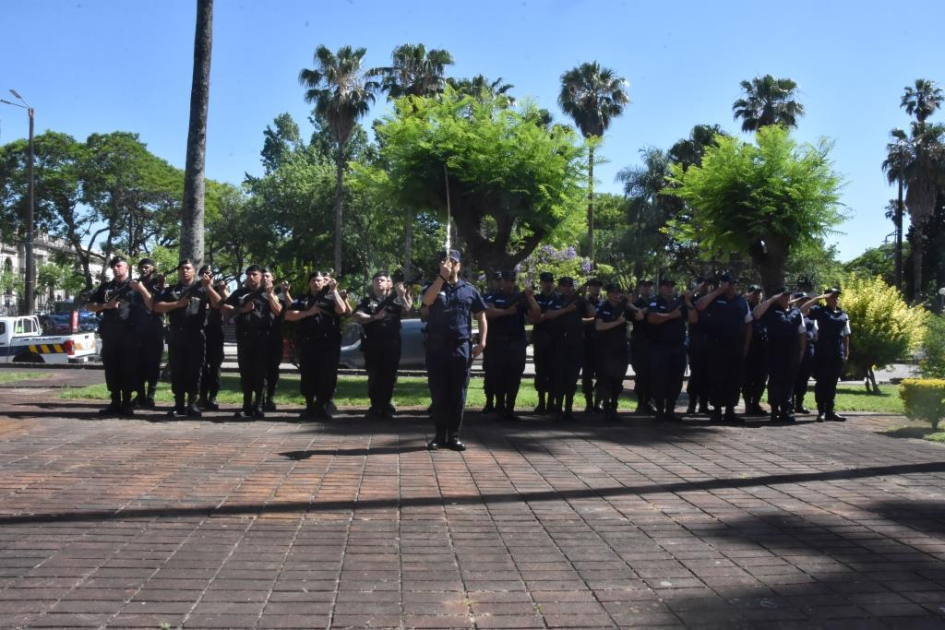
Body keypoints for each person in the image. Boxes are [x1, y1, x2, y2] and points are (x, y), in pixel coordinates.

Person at [420, 250, 487, 451]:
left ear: (459, 265)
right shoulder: (431, 287)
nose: (449, 266)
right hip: (437, 347)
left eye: (452, 262)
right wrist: (441, 277)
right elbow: (426, 303)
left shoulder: (469, 290)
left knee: (458, 393)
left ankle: (454, 436)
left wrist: (482, 342)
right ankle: (439, 436)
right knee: (439, 393)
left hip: (460, 347)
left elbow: (481, 316)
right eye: (444, 262)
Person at [152, 260, 222, 418]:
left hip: (196, 334)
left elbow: (218, 304)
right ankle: (178, 404)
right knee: (177, 370)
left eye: (188, 268)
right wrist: (177, 304)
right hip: (176, 333)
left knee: (195, 370)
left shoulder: (202, 288)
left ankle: (192, 403)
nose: (185, 271)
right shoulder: (173, 290)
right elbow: (157, 306)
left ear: (194, 271)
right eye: (182, 268)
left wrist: (209, 286)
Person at [85, 256, 154, 416]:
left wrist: (142, 289)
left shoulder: (135, 286)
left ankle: (127, 402)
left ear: (126, 267)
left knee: (129, 369)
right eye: (113, 266)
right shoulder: (106, 287)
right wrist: (105, 306)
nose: (116, 269)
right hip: (110, 334)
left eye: (119, 266)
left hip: (130, 335)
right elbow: (89, 305)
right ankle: (115, 401)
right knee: (112, 368)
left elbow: (151, 304)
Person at [221, 265, 283, 419]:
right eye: (248, 274)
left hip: (263, 338)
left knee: (261, 373)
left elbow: (278, 311)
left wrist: (270, 295)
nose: (250, 277)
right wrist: (242, 309)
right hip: (244, 337)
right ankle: (246, 405)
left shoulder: (268, 293)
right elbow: (224, 308)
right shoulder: (240, 293)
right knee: (246, 372)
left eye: (254, 274)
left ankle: (259, 405)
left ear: (262, 276)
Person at [285, 271, 347, 420]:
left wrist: (335, 291)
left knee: (327, 375)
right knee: (308, 375)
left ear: (324, 282)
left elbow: (342, 310)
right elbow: (288, 315)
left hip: (327, 343)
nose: (316, 283)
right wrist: (307, 313)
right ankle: (309, 406)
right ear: (309, 283)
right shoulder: (302, 298)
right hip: (308, 342)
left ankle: (321, 406)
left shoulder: (331, 296)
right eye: (313, 280)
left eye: (319, 280)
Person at [352, 271, 413, 419]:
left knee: (389, 376)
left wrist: (402, 295)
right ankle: (375, 405)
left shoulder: (396, 299)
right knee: (374, 375)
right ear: (372, 283)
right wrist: (374, 317)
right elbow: (356, 316)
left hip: (392, 343)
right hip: (372, 344)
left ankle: (386, 404)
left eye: (383, 280)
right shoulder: (366, 300)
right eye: (377, 280)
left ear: (389, 284)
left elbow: (408, 312)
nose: (379, 282)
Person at [483, 271, 540, 422]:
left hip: (516, 342)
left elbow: (536, 316)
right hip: (497, 342)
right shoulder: (492, 296)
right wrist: (506, 312)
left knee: (515, 376)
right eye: (507, 280)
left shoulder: (520, 298)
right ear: (501, 281)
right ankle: (500, 407)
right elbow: (487, 312)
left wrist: (530, 298)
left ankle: (510, 409)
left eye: (512, 281)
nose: (510, 283)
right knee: (498, 375)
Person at [697, 273, 752, 423]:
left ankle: (730, 411)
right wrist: (717, 291)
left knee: (734, 379)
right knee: (717, 378)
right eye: (727, 283)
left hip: (736, 346)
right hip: (717, 346)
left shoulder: (741, 302)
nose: (731, 286)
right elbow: (700, 306)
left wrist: (746, 344)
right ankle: (716, 411)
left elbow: (748, 324)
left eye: (733, 283)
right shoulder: (714, 299)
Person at [751, 287, 807, 422]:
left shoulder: (795, 312)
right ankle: (774, 410)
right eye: (783, 295)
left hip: (792, 351)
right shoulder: (771, 311)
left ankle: (786, 410)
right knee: (775, 380)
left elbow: (802, 332)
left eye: (788, 295)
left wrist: (801, 351)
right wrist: (773, 299)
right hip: (775, 350)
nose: (786, 298)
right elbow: (756, 314)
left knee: (789, 381)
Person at [547, 277, 597, 421]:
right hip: (560, 341)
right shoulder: (556, 300)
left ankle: (568, 409)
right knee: (559, 376)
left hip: (575, 342)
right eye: (564, 285)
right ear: (560, 287)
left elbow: (593, 313)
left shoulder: (580, 301)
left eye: (570, 285)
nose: (567, 288)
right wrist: (566, 309)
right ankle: (558, 409)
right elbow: (549, 314)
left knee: (572, 377)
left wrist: (584, 299)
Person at [647, 279, 697, 422]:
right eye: (667, 286)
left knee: (676, 380)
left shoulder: (679, 303)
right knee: (659, 380)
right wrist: (670, 316)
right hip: (660, 347)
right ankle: (660, 411)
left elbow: (693, 319)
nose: (670, 288)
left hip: (677, 348)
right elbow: (652, 318)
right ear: (661, 287)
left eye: (671, 286)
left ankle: (670, 410)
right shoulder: (655, 301)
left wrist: (688, 302)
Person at [595, 284, 643, 421]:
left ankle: (614, 407)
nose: (616, 295)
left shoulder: (624, 307)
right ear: (608, 294)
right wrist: (618, 322)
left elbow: (639, 316)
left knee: (618, 380)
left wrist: (629, 304)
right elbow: (599, 326)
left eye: (618, 293)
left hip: (620, 348)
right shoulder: (604, 307)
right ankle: (606, 407)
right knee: (605, 380)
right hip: (606, 348)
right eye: (614, 293)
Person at [802, 288, 851, 422]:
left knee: (832, 383)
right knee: (822, 382)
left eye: (836, 296)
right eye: (832, 296)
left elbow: (846, 334)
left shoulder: (843, 313)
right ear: (826, 298)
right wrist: (818, 298)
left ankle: (830, 411)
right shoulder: (820, 310)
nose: (835, 299)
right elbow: (803, 309)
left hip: (837, 351)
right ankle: (821, 411)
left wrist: (846, 352)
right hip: (823, 350)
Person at [135, 258, 165, 408]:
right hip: (137, 329)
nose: (144, 270)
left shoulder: (158, 284)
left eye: (147, 267)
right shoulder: (134, 284)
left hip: (154, 328)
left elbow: (154, 304)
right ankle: (140, 395)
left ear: (153, 268)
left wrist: (143, 288)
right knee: (138, 365)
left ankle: (150, 395)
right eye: (141, 267)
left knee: (154, 364)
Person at [262, 270, 290, 412]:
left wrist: (270, 294)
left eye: (268, 276)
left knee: (272, 370)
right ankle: (258, 399)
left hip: (274, 337)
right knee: (258, 370)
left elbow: (280, 311)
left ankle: (270, 397)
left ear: (273, 278)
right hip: (258, 339)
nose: (265, 278)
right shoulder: (255, 295)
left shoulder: (280, 296)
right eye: (263, 276)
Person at [199, 273, 228, 411]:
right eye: (204, 274)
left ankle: (213, 396)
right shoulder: (196, 289)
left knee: (215, 366)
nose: (207, 277)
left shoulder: (217, 288)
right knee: (201, 366)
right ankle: (202, 395)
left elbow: (222, 304)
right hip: (199, 331)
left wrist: (211, 287)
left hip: (215, 332)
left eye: (210, 274)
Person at [531, 272, 557, 414]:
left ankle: (551, 402)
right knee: (540, 372)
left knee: (554, 371)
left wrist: (545, 316)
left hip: (555, 340)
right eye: (545, 281)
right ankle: (541, 402)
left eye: (550, 281)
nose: (548, 284)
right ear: (541, 283)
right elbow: (533, 318)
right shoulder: (536, 298)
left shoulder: (558, 298)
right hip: (541, 339)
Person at [686, 278, 712, 414]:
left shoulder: (712, 301)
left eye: (707, 285)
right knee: (696, 375)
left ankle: (703, 404)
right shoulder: (693, 300)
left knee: (707, 376)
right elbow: (687, 298)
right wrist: (697, 287)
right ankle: (691, 404)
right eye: (703, 285)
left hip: (710, 344)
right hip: (697, 343)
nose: (705, 287)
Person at [742, 285, 769, 415]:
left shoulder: (765, 308)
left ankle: (755, 403)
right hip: (750, 347)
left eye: (759, 293)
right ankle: (748, 404)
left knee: (761, 378)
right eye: (754, 293)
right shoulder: (744, 306)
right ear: (748, 294)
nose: (757, 296)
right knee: (747, 378)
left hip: (763, 347)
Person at [630, 280, 656, 414]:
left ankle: (648, 402)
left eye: (649, 286)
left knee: (652, 375)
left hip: (653, 343)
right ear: (639, 288)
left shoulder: (655, 302)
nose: (647, 289)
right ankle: (641, 403)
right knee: (640, 374)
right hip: (640, 343)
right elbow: (635, 316)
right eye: (644, 286)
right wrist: (645, 310)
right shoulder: (635, 304)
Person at [481, 271, 504, 414]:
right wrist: (506, 311)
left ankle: (502, 404)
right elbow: (487, 312)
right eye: (496, 280)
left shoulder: (512, 296)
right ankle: (489, 402)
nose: (499, 282)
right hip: (492, 339)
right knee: (490, 372)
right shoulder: (487, 296)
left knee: (505, 374)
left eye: (501, 280)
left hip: (506, 339)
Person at [581, 279, 604, 413]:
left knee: (602, 375)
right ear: (589, 288)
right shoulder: (583, 302)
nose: (597, 288)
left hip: (602, 344)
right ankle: (589, 403)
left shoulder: (605, 303)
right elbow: (589, 316)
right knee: (587, 376)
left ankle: (598, 403)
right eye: (594, 286)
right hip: (588, 343)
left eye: (599, 286)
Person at [792, 292, 816, 414]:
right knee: (792, 378)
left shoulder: (810, 317)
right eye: (802, 300)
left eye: (806, 300)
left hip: (808, 351)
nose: (805, 302)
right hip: (795, 350)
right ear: (796, 301)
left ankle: (799, 404)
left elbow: (816, 334)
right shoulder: (793, 314)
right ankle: (790, 404)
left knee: (803, 379)